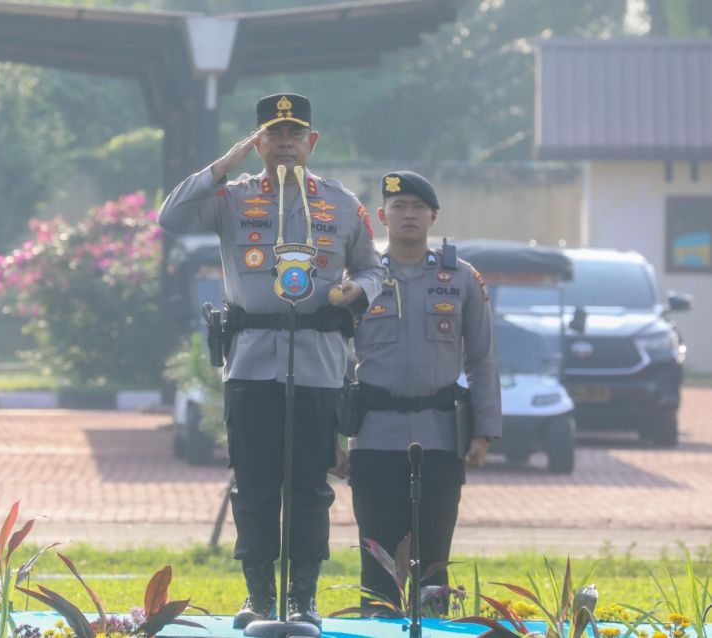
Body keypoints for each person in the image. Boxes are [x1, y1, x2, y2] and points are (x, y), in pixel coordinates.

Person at [158, 93, 384, 629]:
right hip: (252, 362)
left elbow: (374, 268)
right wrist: (226, 162)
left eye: (294, 134)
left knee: (310, 485)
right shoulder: (232, 198)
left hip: (319, 362)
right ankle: (259, 596)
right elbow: (171, 216)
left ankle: (304, 598)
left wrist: (359, 291)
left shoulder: (339, 201)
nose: (284, 143)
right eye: (273, 135)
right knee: (254, 484)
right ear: (258, 141)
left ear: (311, 141)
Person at [346, 170, 502, 615]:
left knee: (434, 560)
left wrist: (483, 432)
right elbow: (330, 363)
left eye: (418, 207)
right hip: (373, 437)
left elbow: (483, 359)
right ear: (381, 216)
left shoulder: (462, 278)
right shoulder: (361, 278)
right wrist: (328, 444)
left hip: (439, 438)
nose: (408, 215)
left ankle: (434, 629)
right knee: (376, 558)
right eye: (399, 207)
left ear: (433, 216)